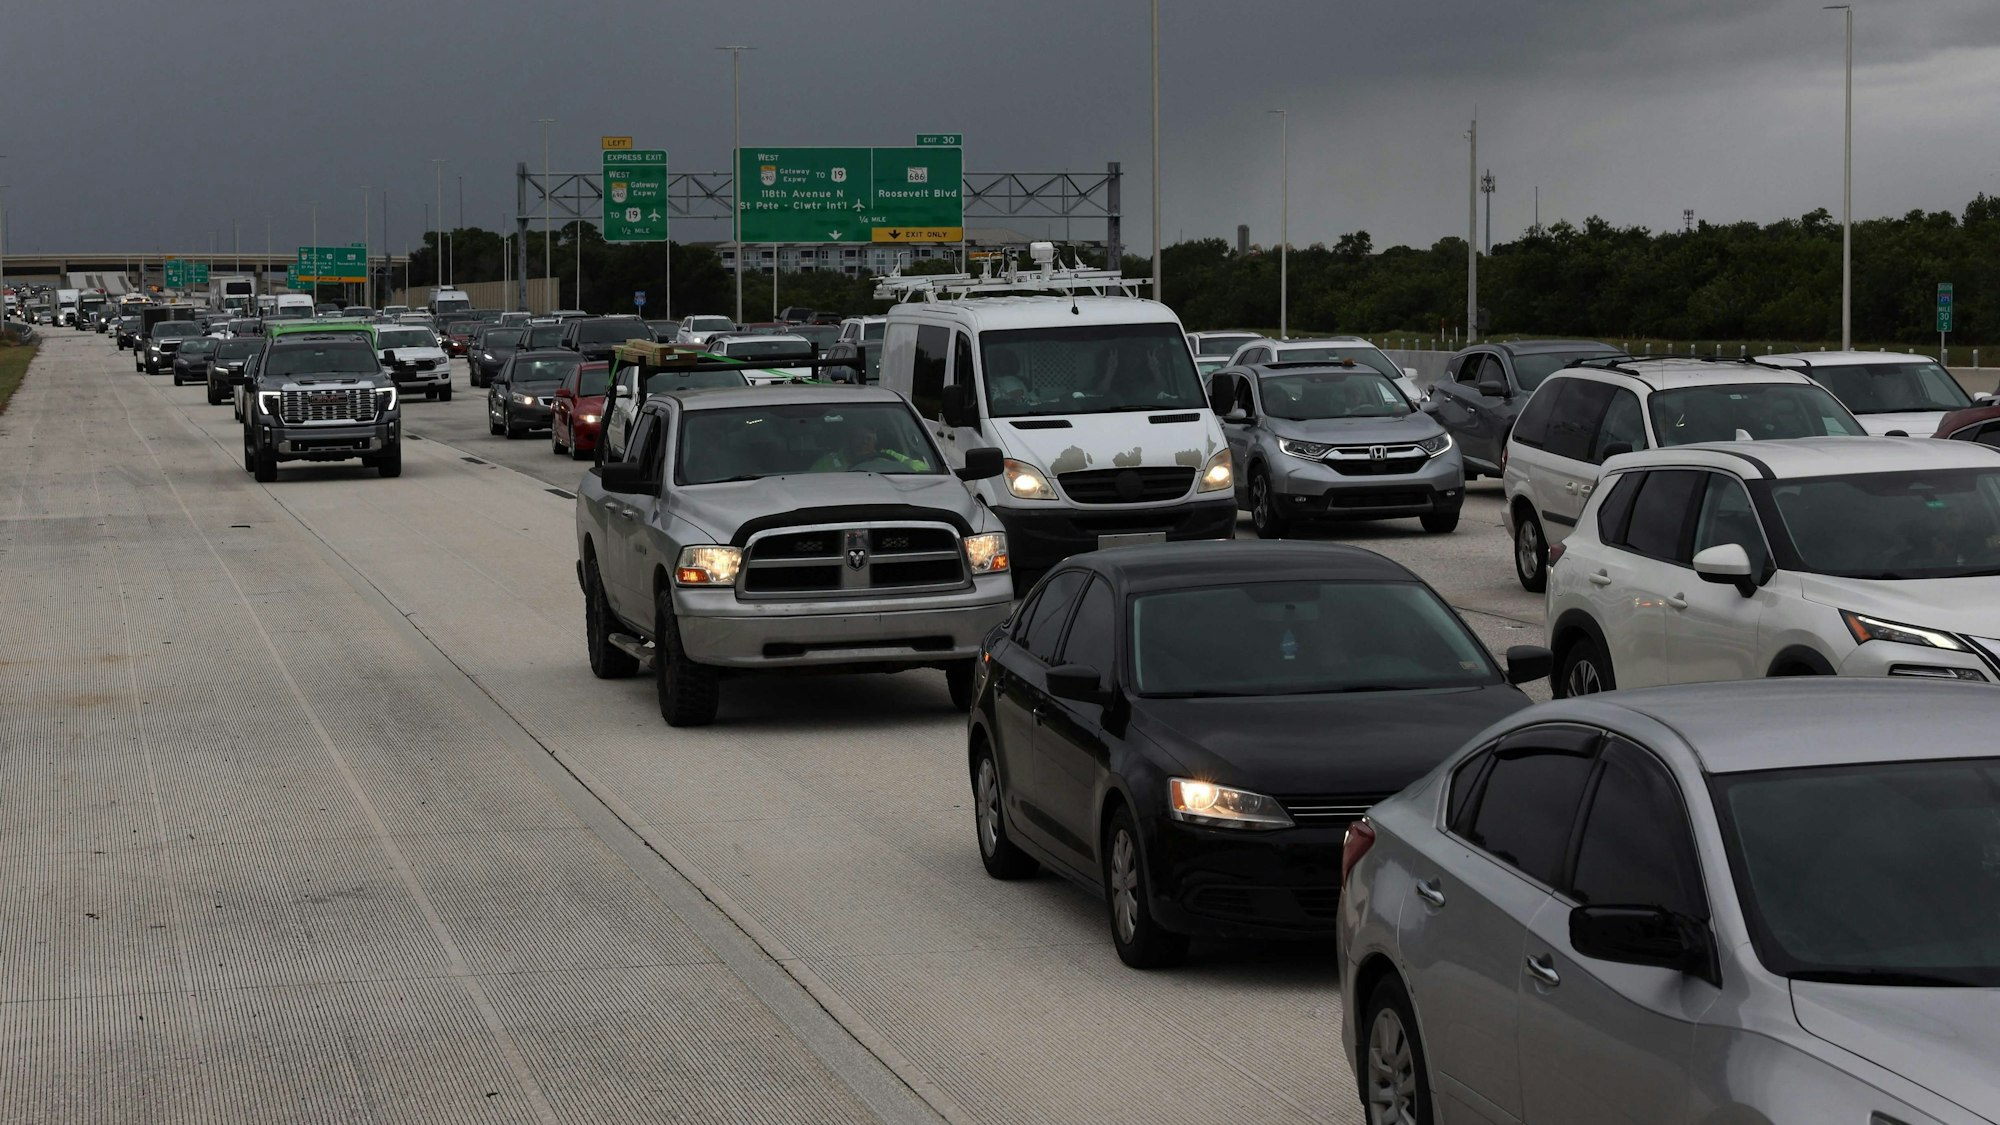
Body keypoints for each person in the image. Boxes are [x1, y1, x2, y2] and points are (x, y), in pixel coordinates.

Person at [811, 423, 928, 473]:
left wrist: (885, 464)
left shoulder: (888, 455)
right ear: (850, 438)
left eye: (869, 438)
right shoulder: (828, 462)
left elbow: (922, 468)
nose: (865, 442)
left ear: (875, 439)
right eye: (860, 437)